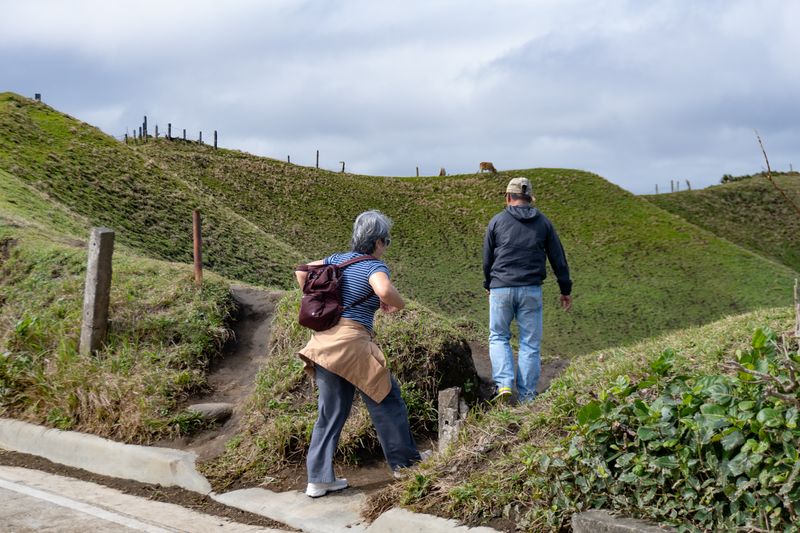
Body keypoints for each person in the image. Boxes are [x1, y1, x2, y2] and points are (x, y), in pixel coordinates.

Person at [294, 210, 424, 498]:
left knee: (330, 412)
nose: (385, 246)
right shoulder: (373, 266)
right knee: (386, 399)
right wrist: (397, 304)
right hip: (352, 342)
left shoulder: (335, 260)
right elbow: (385, 289)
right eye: (386, 241)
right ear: (378, 241)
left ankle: (318, 479)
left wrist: (321, 298)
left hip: (324, 342)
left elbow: (302, 270)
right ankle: (405, 465)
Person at [482, 177, 572, 404]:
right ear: (530, 198)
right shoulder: (544, 223)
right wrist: (565, 289)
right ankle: (528, 396)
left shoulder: (497, 221)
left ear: (508, 197)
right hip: (531, 290)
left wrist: (487, 284)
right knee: (530, 343)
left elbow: (487, 258)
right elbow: (558, 258)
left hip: (501, 287)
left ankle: (503, 384)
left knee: (499, 336)